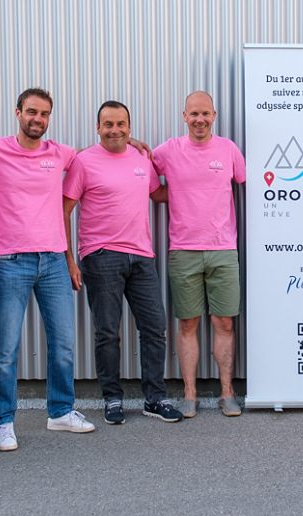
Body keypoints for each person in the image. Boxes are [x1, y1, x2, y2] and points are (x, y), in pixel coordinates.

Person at [0, 88, 95, 449]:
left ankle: (61, 412)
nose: (38, 119)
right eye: (32, 112)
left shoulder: (58, 153)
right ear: (18, 112)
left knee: (63, 344)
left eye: (44, 114)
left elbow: (91, 155)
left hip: (53, 261)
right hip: (12, 263)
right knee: (6, 349)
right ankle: (3, 421)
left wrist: (130, 143)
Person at [63, 100, 183, 425]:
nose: (114, 130)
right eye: (108, 124)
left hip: (142, 256)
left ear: (129, 128)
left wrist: (200, 184)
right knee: (107, 332)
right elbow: (64, 210)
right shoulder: (83, 161)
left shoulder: (141, 157)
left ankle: (154, 399)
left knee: (154, 327)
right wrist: (69, 259)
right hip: (101, 256)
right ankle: (112, 398)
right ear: (98, 128)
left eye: (120, 124)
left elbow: (158, 194)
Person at [151, 91, 246, 418]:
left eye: (205, 113)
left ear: (214, 115)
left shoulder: (228, 149)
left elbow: (247, 181)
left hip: (223, 250)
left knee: (224, 322)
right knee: (188, 323)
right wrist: (167, 193)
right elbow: (143, 172)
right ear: (184, 116)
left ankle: (227, 392)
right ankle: (189, 394)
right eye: (194, 114)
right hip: (183, 250)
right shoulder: (169, 150)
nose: (200, 120)